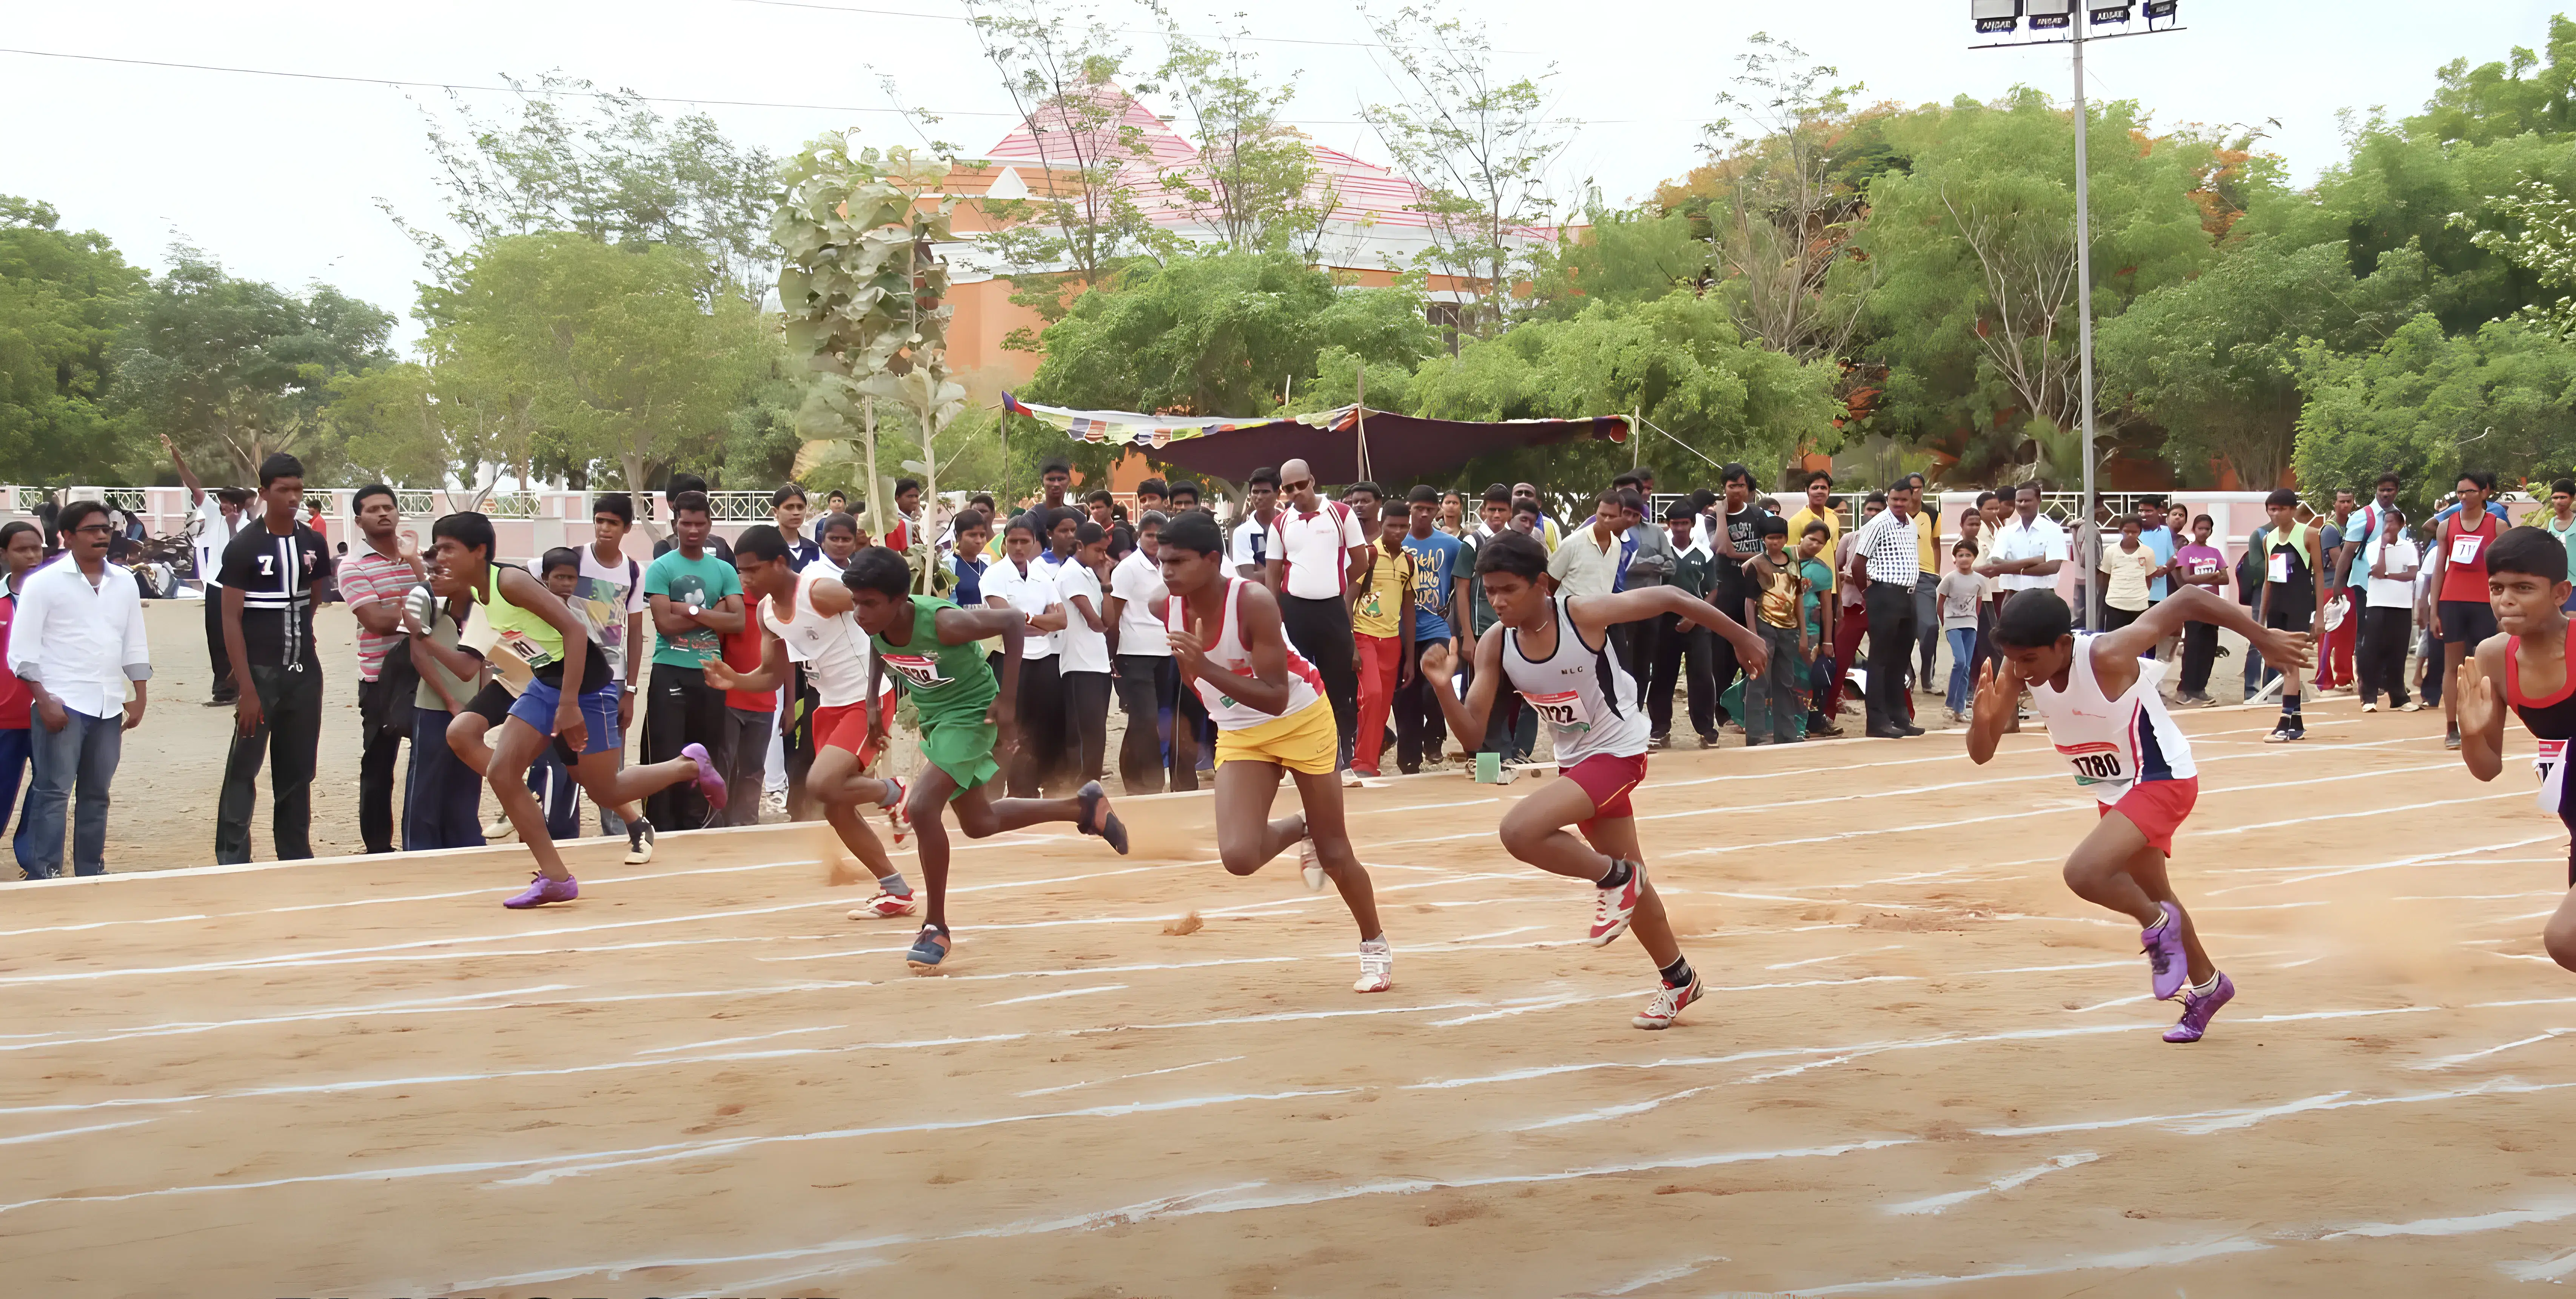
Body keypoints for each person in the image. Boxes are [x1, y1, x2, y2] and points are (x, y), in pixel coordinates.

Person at [1423, 531, 1768, 1028]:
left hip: (1620, 751)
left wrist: (1742, 635)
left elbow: (1670, 597)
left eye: (1508, 590)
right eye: (1489, 591)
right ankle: (1678, 978)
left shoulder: (1581, 615)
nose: (1496, 601)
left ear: (1541, 584)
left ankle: (1615, 878)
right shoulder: (1496, 643)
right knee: (1635, 879)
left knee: (1519, 831)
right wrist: (1443, 690)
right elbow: (1474, 733)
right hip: (1577, 763)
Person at [1971, 586, 2308, 1042]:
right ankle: (2209, 986)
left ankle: (2157, 926)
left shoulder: (2107, 653)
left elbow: (2188, 598)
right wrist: (1980, 720)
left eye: (2030, 659)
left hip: (2161, 777)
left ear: (2062, 644)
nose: (2022, 670)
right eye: (2015, 659)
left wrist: (2260, 637)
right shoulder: (2017, 668)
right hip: (2113, 786)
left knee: (2084, 872)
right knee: (2154, 891)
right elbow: (1981, 755)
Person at [850, 547, 1126, 970]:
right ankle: (1083, 807)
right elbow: (877, 642)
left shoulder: (944, 621)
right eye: (855, 602)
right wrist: (872, 699)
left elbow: (1014, 621)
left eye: (868, 603)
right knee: (979, 823)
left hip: (974, 712)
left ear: (899, 600)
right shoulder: (877, 620)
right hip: (936, 716)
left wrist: (1008, 699)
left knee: (922, 806)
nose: (859, 613)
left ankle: (934, 925)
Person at [422, 512, 718, 907]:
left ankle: (689, 765)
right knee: (501, 771)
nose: (439, 556)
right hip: (546, 679)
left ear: (479, 551)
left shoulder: (508, 581)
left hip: (586, 685)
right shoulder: (477, 590)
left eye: (448, 548)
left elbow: (575, 631)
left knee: (604, 788)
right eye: (436, 547)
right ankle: (557, 878)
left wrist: (569, 705)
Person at [1156, 512, 1389, 992]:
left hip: (1299, 717)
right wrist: (1214, 712)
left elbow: (1274, 694)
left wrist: (1205, 667)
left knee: (1335, 851)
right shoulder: (1168, 605)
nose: (1167, 571)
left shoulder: (1254, 600)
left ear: (1213, 560)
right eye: (1162, 561)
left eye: (1178, 561)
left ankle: (1374, 946)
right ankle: (1301, 825)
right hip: (1241, 729)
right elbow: (1190, 676)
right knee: (1239, 856)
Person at [706, 525, 912, 913]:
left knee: (820, 783)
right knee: (835, 807)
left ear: (780, 562)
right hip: (829, 706)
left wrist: (873, 696)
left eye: (752, 570)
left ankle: (894, 792)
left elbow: (884, 613)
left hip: (864, 699)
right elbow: (770, 674)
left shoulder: (818, 590)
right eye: (741, 571)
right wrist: (734, 678)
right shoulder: (768, 613)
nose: (745, 579)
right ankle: (895, 889)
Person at [2453, 526, 2576, 974]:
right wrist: (2471, 733)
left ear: (2560, 592)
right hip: (2572, 812)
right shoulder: (2492, 656)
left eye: (2523, 588)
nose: (2506, 599)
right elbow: (2486, 769)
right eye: (2497, 588)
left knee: (2565, 938)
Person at [8, 500, 148, 878]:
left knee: (96, 794)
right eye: (92, 530)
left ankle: (90, 868)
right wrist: (44, 698)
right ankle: (45, 869)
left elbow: (134, 641)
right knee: (53, 791)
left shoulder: (124, 582)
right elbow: (20, 653)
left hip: (108, 703)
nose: (102, 535)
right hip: (62, 703)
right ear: (67, 537)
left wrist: (140, 694)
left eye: (106, 529)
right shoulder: (43, 583)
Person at [214, 453, 330, 864]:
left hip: (304, 671)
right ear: (263, 493)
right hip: (259, 675)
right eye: (283, 489)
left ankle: (295, 851)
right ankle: (232, 854)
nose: (293, 497)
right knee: (244, 767)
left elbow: (313, 598)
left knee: (298, 769)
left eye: (298, 489)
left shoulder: (312, 542)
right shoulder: (245, 545)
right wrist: (245, 685)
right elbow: (230, 617)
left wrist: (299, 643)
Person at [642, 491, 743, 829]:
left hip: (710, 672)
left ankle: (696, 824)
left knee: (705, 752)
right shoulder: (661, 567)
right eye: (686, 523)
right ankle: (662, 825)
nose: (693, 530)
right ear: (675, 525)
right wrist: (713, 614)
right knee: (667, 752)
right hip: (670, 670)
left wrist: (688, 608)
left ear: (710, 526)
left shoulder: (724, 569)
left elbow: (739, 621)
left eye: (700, 524)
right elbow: (665, 626)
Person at [337, 484, 428, 853]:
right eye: (373, 509)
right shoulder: (352, 566)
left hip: (427, 672)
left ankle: (423, 839)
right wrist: (420, 614)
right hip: (379, 678)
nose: (383, 513)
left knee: (431, 757)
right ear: (359, 520)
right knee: (379, 763)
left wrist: (416, 567)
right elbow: (376, 620)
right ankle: (378, 846)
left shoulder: (418, 558)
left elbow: (444, 603)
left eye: (388, 507)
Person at [1265, 458, 1370, 774]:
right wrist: (1275, 616)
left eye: (1301, 484)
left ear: (1312, 480)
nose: (1296, 492)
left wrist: (1335, 582)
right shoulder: (1281, 523)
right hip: (1294, 611)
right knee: (1296, 681)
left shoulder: (1341, 514)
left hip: (1332, 609)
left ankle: (1343, 750)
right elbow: (1272, 576)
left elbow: (1361, 562)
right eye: (1288, 488)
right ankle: (1296, 752)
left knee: (1339, 682)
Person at [983, 514, 1069, 796]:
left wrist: (1028, 622)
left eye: (1024, 541)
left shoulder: (1042, 576)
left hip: (1043, 661)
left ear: (1034, 542)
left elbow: (1062, 621)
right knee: (1005, 729)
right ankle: (993, 794)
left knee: (1037, 730)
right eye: (1013, 541)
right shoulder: (994, 575)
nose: (1019, 547)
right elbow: (1007, 621)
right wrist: (1040, 622)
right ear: (1004, 543)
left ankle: (1026, 791)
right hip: (1007, 660)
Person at [1105, 511, 1191, 794]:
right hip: (1134, 653)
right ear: (1138, 536)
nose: (1155, 540)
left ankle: (1136, 778)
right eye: (1149, 535)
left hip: (1167, 651)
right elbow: (1114, 617)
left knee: (1152, 719)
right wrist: (1113, 658)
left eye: (1160, 535)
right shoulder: (1127, 569)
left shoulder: (1172, 566)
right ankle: (1147, 783)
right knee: (1145, 718)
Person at [402, 568, 486, 852]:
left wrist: (482, 706)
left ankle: (465, 846)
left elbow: (484, 661)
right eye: (433, 571)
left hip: (472, 710)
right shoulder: (423, 596)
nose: (434, 577)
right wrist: (450, 701)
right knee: (427, 784)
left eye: (445, 571)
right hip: (434, 707)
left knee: (466, 783)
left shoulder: (484, 604)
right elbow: (418, 654)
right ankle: (421, 850)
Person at [581, 493, 649, 833]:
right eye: (600, 521)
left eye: (613, 523)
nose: (605, 529)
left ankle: (618, 832)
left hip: (612, 679)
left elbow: (635, 633)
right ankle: (559, 832)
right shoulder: (572, 560)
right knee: (563, 757)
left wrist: (631, 690)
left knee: (612, 761)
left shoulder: (634, 571)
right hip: (567, 675)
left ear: (627, 527)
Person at [165, 435, 248, 706]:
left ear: (239, 505)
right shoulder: (213, 513)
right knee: (216, 638)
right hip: (215, 585)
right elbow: (194, 484)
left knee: (242, 637)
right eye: (221, 502)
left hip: (241, 589)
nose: (223, 506)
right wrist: (176, 454)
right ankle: (224, 689)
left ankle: (245, 686)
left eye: (228, 503)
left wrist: (235, 524)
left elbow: (241, 550)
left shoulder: (251, 524)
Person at [1848, 480, 1925, 739]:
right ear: (1889, 499)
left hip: (1907, 596)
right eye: (1895, 500)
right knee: (1880, 661)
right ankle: (1877, 721)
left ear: (1912, 498)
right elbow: (1858, 563)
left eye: (1904, 500)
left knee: (1900, 661)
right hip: (1884, 594)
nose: (1899, 504)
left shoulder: (1911, 524)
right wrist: (1869, 594)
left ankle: (1900, 718)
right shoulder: (1878, 523)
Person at [2434, 472, 2505, 748]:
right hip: (2452, 601)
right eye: (2460, 492)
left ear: (2485, 493)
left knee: (2487, 666)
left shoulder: (2497, 527)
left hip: (2484, 603)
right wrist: (2433, 609)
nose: (2464, 497)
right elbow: (2439, 569)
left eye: (2470, 492)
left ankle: (2487, 725)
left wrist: (2502, 609)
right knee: (2452, 666)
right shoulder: (2447, 526)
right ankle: (2452, 728)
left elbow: (2504, 572)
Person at [1398, 485, 1465, 772]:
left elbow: (1463, 584)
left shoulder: (1452, 546)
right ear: (1409, 508)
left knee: (1433, 687)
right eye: (1418, 509)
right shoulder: (1396, 541)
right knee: (1404, 695)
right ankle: (1408, 759)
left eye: (1430, 509)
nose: (1424, 515)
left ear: (1438, 510)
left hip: (1436, 626)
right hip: (1399, 629)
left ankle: (1435, 738)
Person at [2254, 489, 2326, 742]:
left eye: (2281, 509)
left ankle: (2285, 722)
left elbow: (2318, 574)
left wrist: (2319, 617)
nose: (2275, 514)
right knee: (2280, 663)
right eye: (2271, 509)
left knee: (2290, 664)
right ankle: (2296, 724)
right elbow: (2268, 581)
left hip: (2299, 604)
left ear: (2293, 509)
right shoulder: (2268, 539)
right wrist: (2259, 620)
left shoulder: (2309, 534)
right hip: (2277, 605)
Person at [1348, 505, 1414, 779]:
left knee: (1382, 705)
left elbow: (1409, 608)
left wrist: (1410, 657)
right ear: (1381, 523)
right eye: (1392, 526)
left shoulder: (1409, 562)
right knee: (1372, 695)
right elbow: (1347, 597)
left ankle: (1370, 764)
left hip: (1392, 642)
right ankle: (1362, 763)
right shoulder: (1369, 555)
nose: (1398, 532)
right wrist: (1351, 643)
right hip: (1364, 636)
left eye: (1403, 527)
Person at [1649, 500, 1721, 748]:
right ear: (1668, 525)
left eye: (1684, 523)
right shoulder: (1661, 551)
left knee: (1701, 675)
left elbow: (1713, 590)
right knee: (1662, 675)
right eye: (1674, 523)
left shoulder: (1705, 553)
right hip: (1665, 621)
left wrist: (1696, 617)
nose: (1679, 528)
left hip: (1698, 621)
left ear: (1692, 524)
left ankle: (1706, 730)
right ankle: (1659, 729)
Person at [1740, 515, 1809, 745]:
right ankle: (1756, 735)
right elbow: (1750, 603)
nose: (1775, 543)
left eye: (1779, 538)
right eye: (1770, 538)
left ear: (1786, 539)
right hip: (1764, 629)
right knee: (1759, 681)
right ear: (1763, 539)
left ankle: (1786, 734)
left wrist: (1804, 634)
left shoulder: (1793, 562)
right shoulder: (1756, 565)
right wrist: (1752, 637)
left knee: (1786, 683)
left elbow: (1798, 597)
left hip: (1789, 631)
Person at [1057, 521, 1115, 788]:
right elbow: (1097, 623)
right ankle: (1080, 789)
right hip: (1078, 664)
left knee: (1097, 733)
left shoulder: (1092, 574)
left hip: (1098, 663)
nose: (1104, 557)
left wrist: (1106, 584)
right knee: (1086, 734)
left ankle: (1090, 787)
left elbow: (1109, 622)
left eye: (1105, 551)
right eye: (1098, 550)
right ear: (1080, 547)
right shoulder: (1070, 574)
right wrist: (1104, 587)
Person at [0, 523, 43, 856]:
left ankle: (34, 858)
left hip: (52, 710)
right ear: (4, 554)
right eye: (22, 550)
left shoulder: (56, 597)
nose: (31, 556)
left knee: (46, 789)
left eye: (37, 548)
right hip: (5, 714)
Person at [2358, 502, 2421, 713]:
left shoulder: (2409, 547)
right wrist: (2384, 546)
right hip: (2377, 604)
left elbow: (2412, 574)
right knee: (2372, 651)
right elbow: (2378, 569)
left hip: (2402, 606)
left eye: (2392, 522)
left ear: (2402, 526)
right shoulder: (2374, 546)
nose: (2388, 526)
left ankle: (2399, 698)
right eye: (2385, 522)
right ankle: (2369, 697)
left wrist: (2387, 577)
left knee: (2398, 652)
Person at [2170, 515, 2229, 706]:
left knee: (2209, 647)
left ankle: (2200, 689)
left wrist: (2205, 578)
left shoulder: (2215, 552)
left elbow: (2225, 578)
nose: (2204, 532)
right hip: (2194, 604)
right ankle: (2185, 689)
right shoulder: (2186, 551)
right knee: (2193, 647)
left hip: (2212, 605)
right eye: (2200, 528)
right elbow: (2186, 578)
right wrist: (2212, 577)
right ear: (2194, 530)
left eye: (2208, 529)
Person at [1798, 520, 1842, 737]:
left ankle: (1813, 722)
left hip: (1812, 629)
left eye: (1820, 543)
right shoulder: (1780, 559)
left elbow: (1827, 608)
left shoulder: (1823, 571)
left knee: (1814, 677)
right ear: (1802, 537)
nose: (1815, 545)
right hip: (1780, 628)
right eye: (1812, 539)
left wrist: (1828, 641)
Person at [1548, 488, 1630, 599]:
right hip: (1567, 614)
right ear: (1595, 513)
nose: (1606, 520)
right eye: (1603, 515)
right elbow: (1550, 584)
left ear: (1621, 517)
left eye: (1612, 517)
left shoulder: (1617, 545)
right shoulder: (1572, 543)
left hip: (1599, 614)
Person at [1937, 541, 1983, 723]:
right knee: (1961, 661)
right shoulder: (1950, 578)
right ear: (1955, 558)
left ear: (1975, 558)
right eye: (1960, 555)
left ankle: (1960, 710)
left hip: (1970, 625)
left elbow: (1979, 604)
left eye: (1968, 555)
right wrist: (1945, 622)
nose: (1964, 559)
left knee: (1967, 667)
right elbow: (1940, 602)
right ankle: (1949, 704)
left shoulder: (1980, 580)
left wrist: (1974, 620)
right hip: (1952, 624)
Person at [2098, 514, 2163, 632]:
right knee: (2115, 643)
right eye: (2127, 531)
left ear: (2140, 532)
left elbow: (2148, 578)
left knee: (2136, 643)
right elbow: (2105, 578)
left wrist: (2139, 596)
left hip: (2139, 607)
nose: (2130, 535)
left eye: (2134, 532)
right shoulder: (2111, 551)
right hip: (2115, 605)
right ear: (2120, 530)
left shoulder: (2148, 552)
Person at [1230, 467, 1281, 579]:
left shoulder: (1290, 522)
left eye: (1265, 492)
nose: (1259, 497)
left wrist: (1263, 570)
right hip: (1262, 595)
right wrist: (1285, 567)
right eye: (1255, 492)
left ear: (1278, 493)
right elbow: (1249, 578)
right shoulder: (1242, 533)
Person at [2542, 480, 2576, 614]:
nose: (2559, 501)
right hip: (2555, 583)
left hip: (2574, 584)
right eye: (2555, 498)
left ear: (2573, 498)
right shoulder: (2551, 522)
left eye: (2563, 497)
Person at [772, 483, 821, 569]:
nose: (796, 513)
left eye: (800, 507)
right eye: (789, 507)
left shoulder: (815, 549)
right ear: (776, 512)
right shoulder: (765, 548)